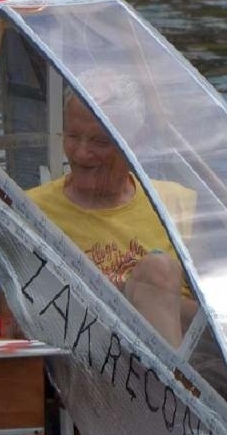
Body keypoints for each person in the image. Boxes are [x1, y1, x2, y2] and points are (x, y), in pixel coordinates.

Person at [28, 82, 195, 345]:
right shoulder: (31, 210)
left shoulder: (177, 203)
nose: (81, 153)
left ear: (133, 144)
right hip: (83, 360)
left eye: (99, 141)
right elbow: (13, 315)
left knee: (157, 271)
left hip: (180, 361)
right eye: (72, 137)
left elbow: (217, 321)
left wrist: (147, 295)